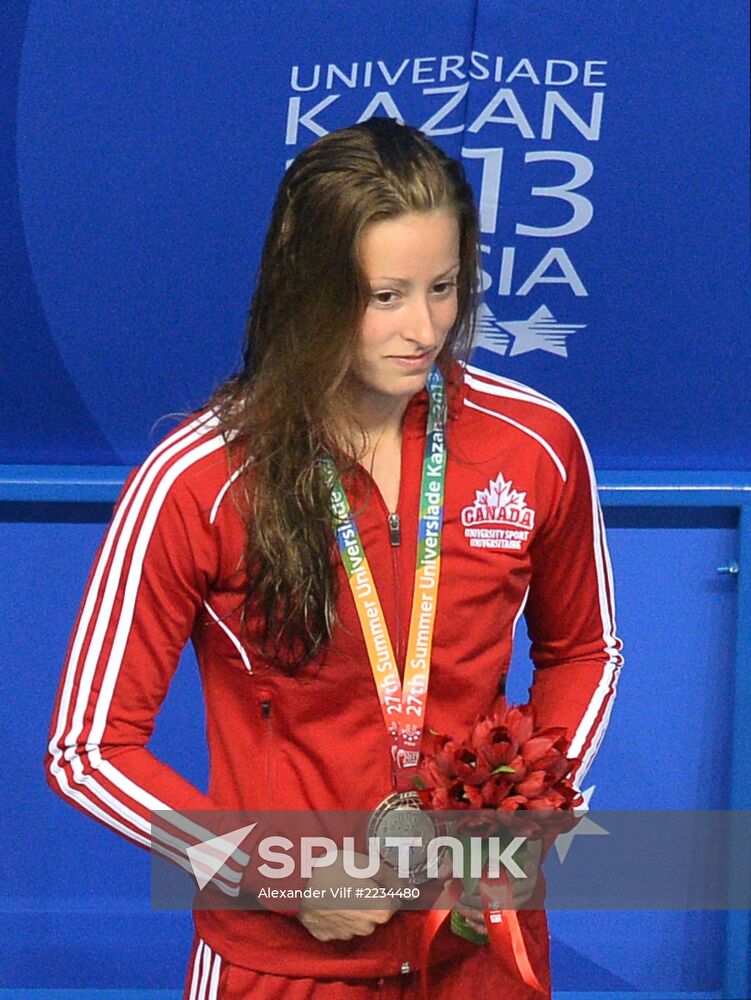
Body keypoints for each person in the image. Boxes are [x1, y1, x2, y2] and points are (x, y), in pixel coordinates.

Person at [46, 118, 622, 999]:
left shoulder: (533, 442)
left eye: (444, 287)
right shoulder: (199, 477)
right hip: (284, 961)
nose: (423, 329)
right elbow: (89, 748)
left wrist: (529, 802)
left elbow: (584, 649)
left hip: (479, 944)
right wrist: (274, 874)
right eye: (383, 296)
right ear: (306, 290)